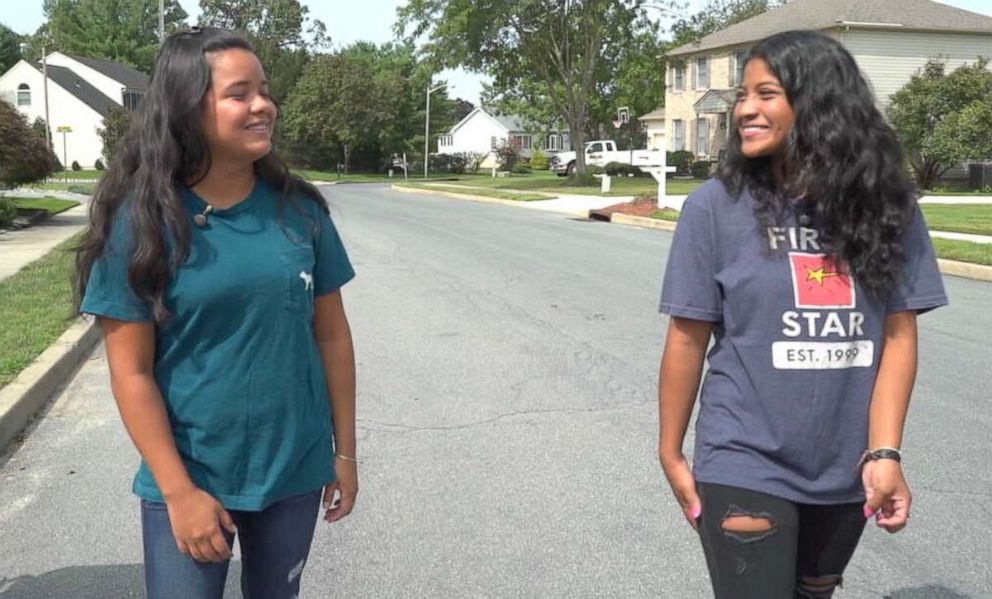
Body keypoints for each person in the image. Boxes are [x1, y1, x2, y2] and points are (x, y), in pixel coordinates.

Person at [657, 30, 947, 598]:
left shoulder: (890, 209)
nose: (744, 109)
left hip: (846, 465)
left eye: (766, 94)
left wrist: (886, 452)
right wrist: (670, 450)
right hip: (744, 456)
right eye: (742, 95)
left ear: (817, 103)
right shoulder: (714, 208)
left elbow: (898, 338)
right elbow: (686, 338)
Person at [73, 27, 358, 598]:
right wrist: (179, 493)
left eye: (265, 91)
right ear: (186, 108)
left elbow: (332, 336)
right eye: (239, 93)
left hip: (293, 472)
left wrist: (344, 452)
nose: (263, 106)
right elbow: (131, 373)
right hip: (190, 475)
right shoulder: (143, 224)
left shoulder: (300, 211)